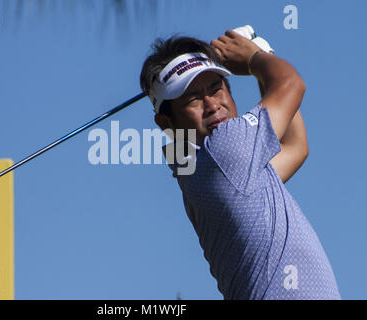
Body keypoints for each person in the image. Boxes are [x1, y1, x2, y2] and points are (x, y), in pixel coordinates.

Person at [139, 30, 341, 300]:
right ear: (166, 124)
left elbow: (294, 147)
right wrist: (254, 58)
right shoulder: (224, 152)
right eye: (192, 99)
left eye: (216, 88)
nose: (211, 105)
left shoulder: (203, 170)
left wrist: (262, 59)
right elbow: (291, 84)